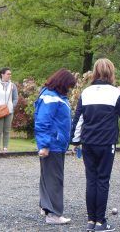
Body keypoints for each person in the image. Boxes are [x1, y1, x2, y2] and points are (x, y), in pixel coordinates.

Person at [71, 58, 120, 232]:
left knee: (91, 180)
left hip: (88, 142)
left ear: (95, 73)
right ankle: (101, 222)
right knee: (103, 180)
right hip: (106, 143)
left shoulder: (86, 92)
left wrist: (75, 141)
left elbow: (79, 119)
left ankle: (91, 220)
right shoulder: (114, 93)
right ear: (111, 73)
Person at [34, 68, 77, 225]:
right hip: (53, 145)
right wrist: (45, 145)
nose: (70, 90)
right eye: (69, 86)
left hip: (55, 144)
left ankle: (45, 207)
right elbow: (43, 122)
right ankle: (53, 214)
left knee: (47, 177)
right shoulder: (51, 98)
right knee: (54, 179)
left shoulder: (53, 96)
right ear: (63, 83)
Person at [0, 67, 19, 153]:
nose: (10, 75)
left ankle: (5, 147)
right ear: (2, 74)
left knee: (7, 130)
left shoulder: (13, 86)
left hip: (9, 111)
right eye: (8, 74)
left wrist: (12, 106)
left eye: (10, 74)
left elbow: (16, 98)